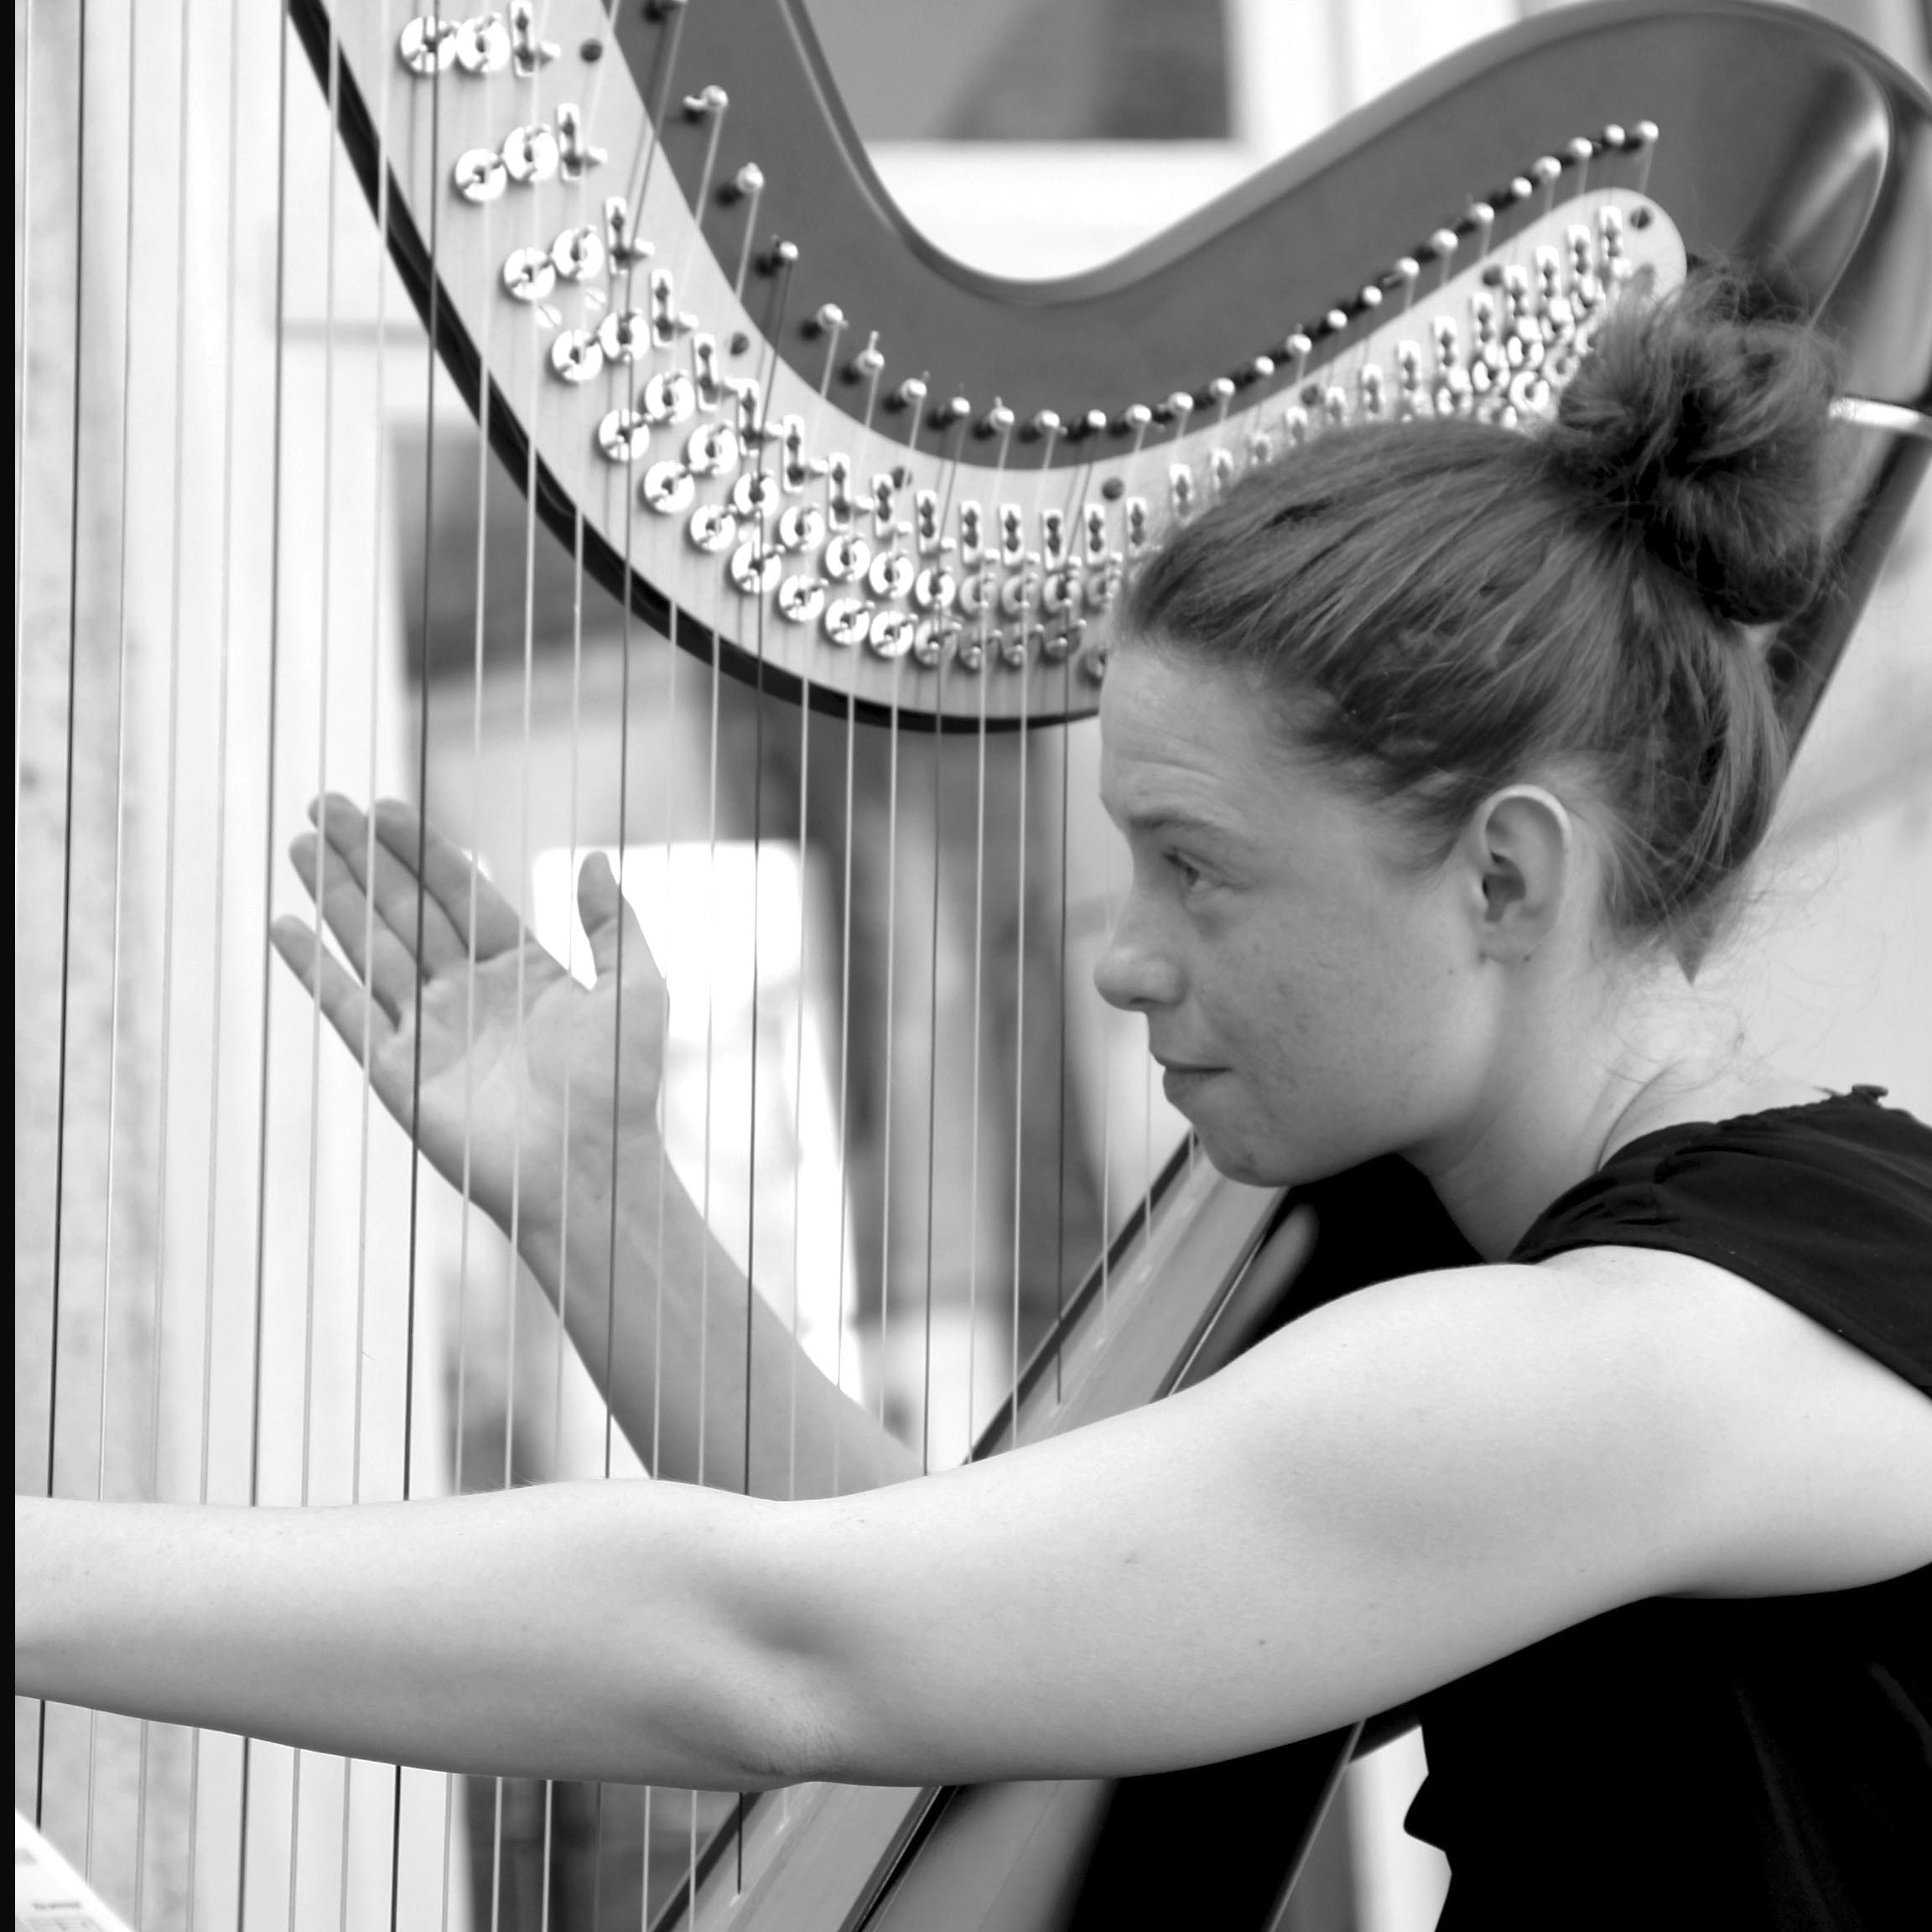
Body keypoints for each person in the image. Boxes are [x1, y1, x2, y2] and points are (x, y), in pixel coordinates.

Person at [17, 272, 1931, 1926]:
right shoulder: (1668, 1266)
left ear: (1502, 878)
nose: (1125, 960)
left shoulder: (1662, 1350)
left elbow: (793, 1650)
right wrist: (596, 1200)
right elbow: (985, 1620)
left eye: (1198, 868)